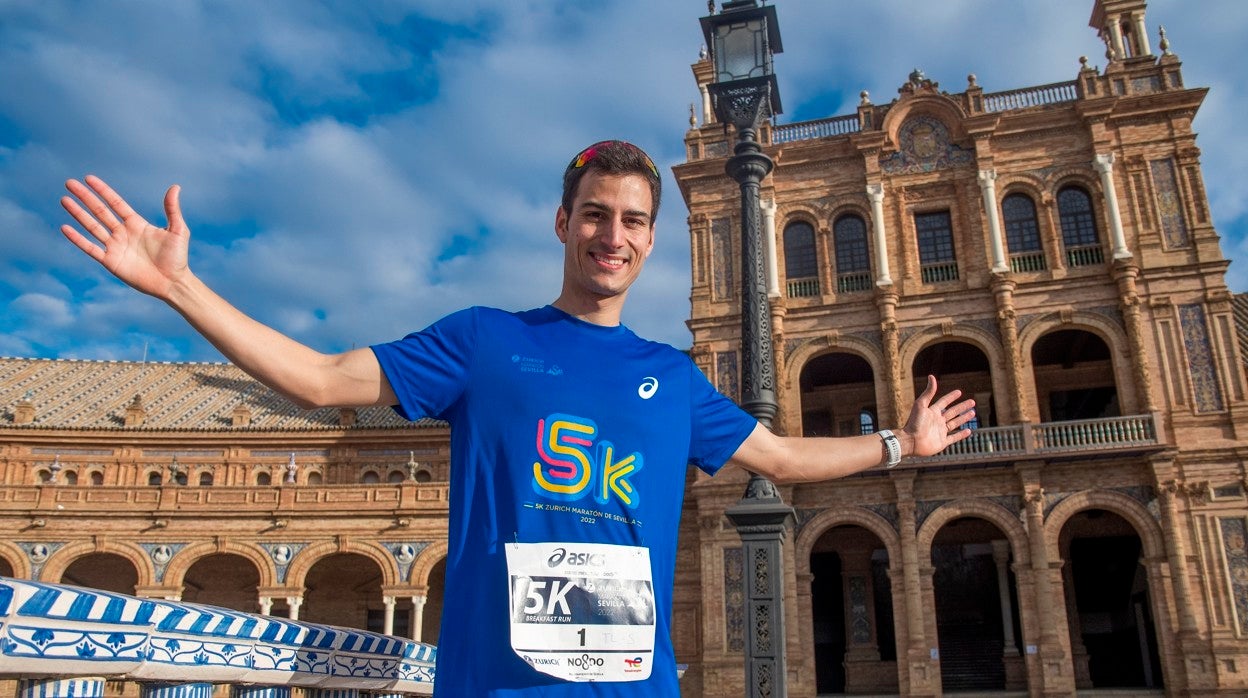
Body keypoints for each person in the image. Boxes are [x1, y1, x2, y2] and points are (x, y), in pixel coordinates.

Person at [60, 140, 975, 696]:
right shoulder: (482, 343)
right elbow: (319, 380)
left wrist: (903, 443)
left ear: (651, 239)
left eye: (630, 220)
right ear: (562, 223)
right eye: (594, 214)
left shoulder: (672, 378)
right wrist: (180, 284)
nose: (611, 234)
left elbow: (775, 451)